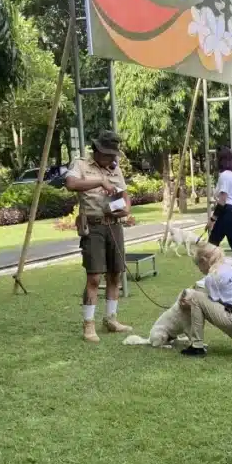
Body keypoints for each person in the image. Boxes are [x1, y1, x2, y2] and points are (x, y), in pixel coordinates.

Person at [65, 130, 134, 343]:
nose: (112, 159)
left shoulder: (115, 168)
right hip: (93, 227)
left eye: (114, 155)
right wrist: (100, 181)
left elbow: (124, 195)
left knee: (115, 273)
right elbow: (70, 184)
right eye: (108, 154)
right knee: (94, 276)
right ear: (96, 150)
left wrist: (126, 210)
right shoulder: (81, 165)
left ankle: (111, 318)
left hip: (114, 225)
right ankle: (88, 324)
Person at [179, 242, 232, 357]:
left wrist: (189, 300)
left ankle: (197, 346)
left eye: (197, 264)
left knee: (195, 297)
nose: (199, 269)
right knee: (230, 305)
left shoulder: (212, 277)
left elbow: (210, 301)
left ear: (204, 260)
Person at [207, 146, 232, 262]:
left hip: (227, 212)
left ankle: (212, 270)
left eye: (217, 158)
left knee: (212, 243)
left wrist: (213, 219)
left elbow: (223, 200)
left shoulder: (225, 176)